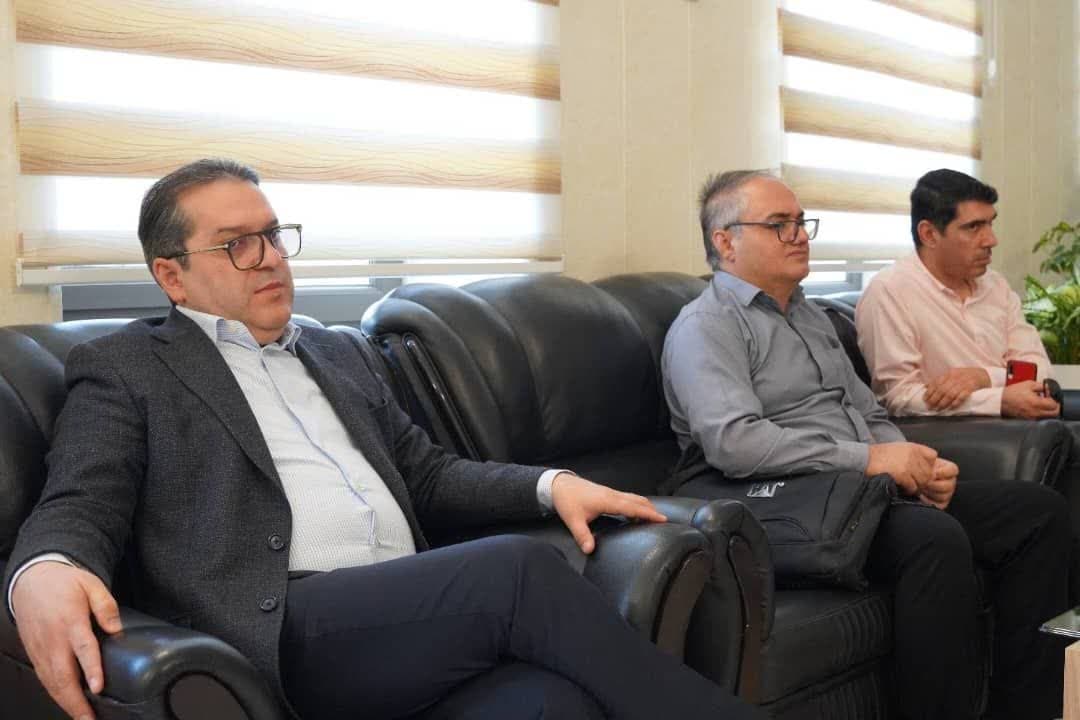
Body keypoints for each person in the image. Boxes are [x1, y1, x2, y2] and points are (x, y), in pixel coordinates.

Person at [4, 158, 764, 720]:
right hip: (282, 626)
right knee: (518, 570)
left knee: (551, 703)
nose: (269, 257)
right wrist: (44, 569)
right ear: (172, 277)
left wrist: (550, 483)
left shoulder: (337, 351)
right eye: (236, 244)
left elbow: (427, 474)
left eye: (273, 235)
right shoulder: (128, 365)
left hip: (402, 616)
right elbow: (82, 496)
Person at [661, 169, 1071, 720]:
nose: (799, 235)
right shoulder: (707, 326)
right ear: (726, 242)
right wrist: (873, 459)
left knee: (1038, 513)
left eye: (801, 222)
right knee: (932, 538)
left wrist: (914, 465)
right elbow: (734, 442)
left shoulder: (809, 316)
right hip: (783, 502)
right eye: (779, 225)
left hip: (861, 491)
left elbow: (870, 412)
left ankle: (1031, 709)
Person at [854, 168, 1059, 419]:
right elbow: (898, 397)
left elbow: (1041, 369)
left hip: (1028, 424)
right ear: (929, 234)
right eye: (973, 227)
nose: (991, 240)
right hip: (955, 434)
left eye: (990, 223)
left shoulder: (996, 285)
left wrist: (984, 376)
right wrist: (998, 401)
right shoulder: (889, 291)